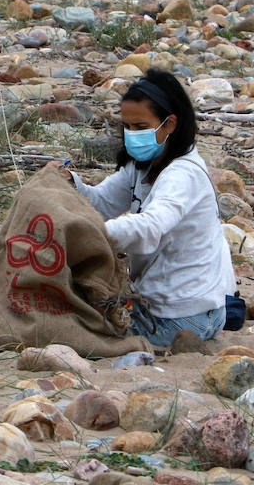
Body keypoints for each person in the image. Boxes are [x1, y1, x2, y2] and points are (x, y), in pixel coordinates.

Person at [65, 69, 243, 348]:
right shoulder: (143, 165)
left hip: (187, 314)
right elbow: (102, 202)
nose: (131, 135)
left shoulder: (183, 175)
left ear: (169, 124)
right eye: (127, 127)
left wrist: (87, 234)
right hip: (160, 300)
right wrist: (70, 185)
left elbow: (151, 225)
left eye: (140, 127)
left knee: (74, 324)